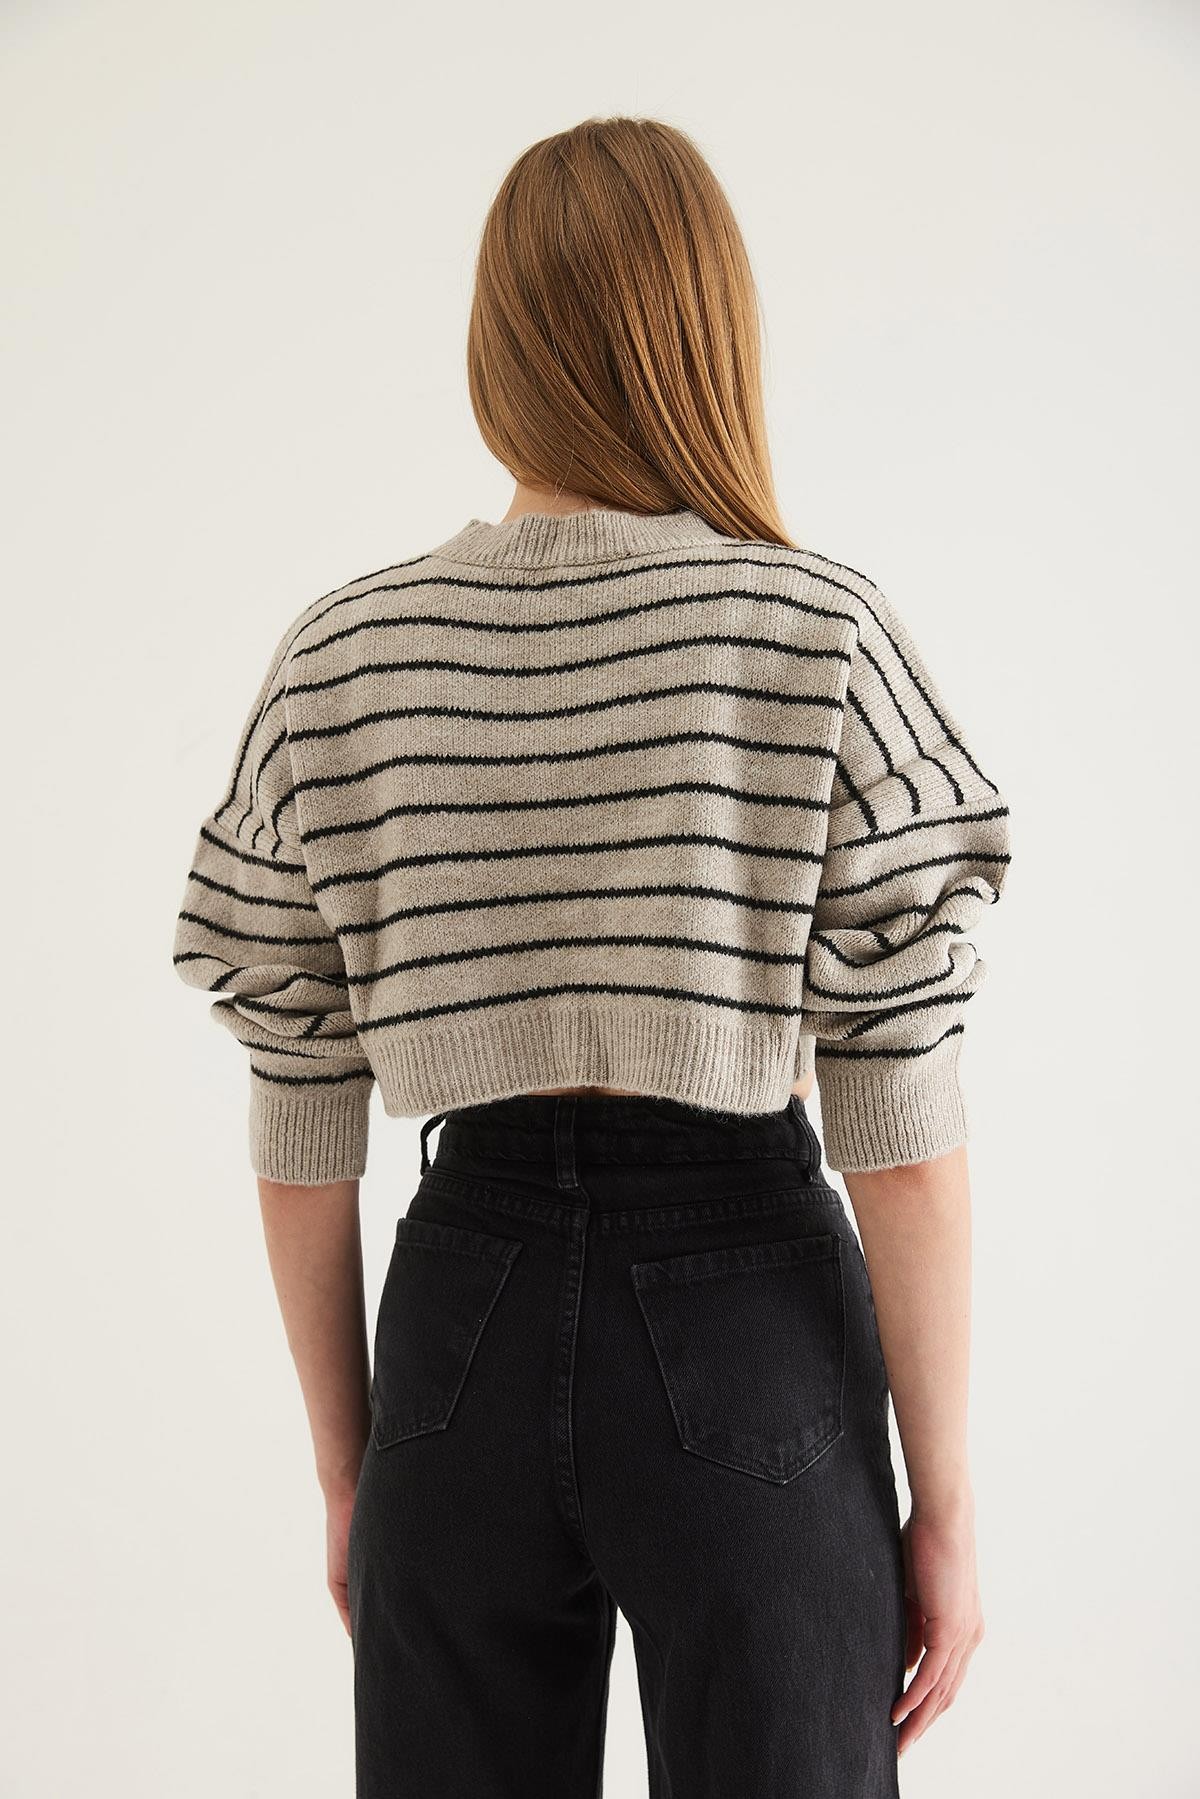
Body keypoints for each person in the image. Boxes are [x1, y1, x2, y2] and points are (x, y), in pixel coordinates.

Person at [171, 115, 1011, 1797]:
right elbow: (902, 1132)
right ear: (708, 332)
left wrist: (352, 1468)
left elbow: (295, 1092)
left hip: (459, 1317)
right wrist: (948, 1505)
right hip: (745, 1311)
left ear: (498, 342)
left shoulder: (344, 659)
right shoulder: (818, 636)